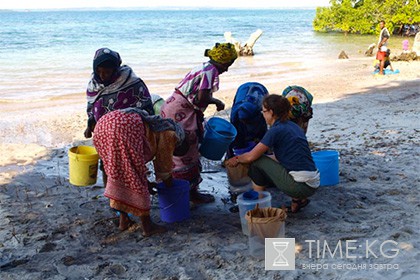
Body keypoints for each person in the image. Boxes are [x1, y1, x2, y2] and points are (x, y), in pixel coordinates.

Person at [160, 42, 238, 204]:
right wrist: (217, 102)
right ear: (222, 62)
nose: (227, 69)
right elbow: (202, 98)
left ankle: (176, 187)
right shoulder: (211, 71)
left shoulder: (203, 67)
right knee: (187, 149)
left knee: (174, 149)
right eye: (228, 65)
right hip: (181, 111)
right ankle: (191, 193)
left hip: (172, 106)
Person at [93, 108, 188, 237]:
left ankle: (124, 220)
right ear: (179, 141)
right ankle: (147, 226)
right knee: (136, 178)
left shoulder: (157, 126)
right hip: (122, 128)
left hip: (103, 126)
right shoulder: (170, 134)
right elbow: (164, 167)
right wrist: (171, 187)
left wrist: (149, 183)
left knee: (116, 174)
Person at [225, 94, 320, 213]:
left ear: (271, 112)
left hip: (301, 187)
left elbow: (250, 157)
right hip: (312, 183)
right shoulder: (292, 126)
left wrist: (237, 159)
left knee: (256, 161)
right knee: (263, 159)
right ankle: (297, 201)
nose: (263, 115)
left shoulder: (276, 130)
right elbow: (281, 157)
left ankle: (260, 206)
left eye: (264, 111)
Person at [84, 47, 154, 139]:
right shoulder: (94, 85)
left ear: (115, 70)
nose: (102, 76)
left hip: (129, 134)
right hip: (104, 134)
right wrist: (89, 126)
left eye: (107, 72)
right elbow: (92, 109)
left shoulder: (132, 83)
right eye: (98, 71)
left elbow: (147, 109)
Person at [227, 82, 268, 158]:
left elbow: (264, 132)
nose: (245, 123)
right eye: (243, 121)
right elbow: (231, 135)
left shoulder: (259, 109)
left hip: (260, 88)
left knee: (260, 133)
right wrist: (230, 156)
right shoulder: (235, 113)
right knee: (236, 133)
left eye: (247, 121)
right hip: (243, 90)